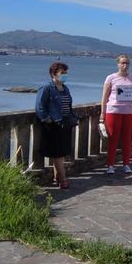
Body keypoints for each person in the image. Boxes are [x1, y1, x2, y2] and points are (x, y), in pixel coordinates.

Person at [35, 61, 77, 189]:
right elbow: (39, 106)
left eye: (66, 73)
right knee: (57, 153)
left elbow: (67, 105)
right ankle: (63, 179)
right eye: (62, 73)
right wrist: (47, 119)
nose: (64, 75)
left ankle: (57, 178)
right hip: (53, 126)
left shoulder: (65, 88)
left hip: (64, 124)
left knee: (60, 153)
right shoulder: (47, 87)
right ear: (54, 74)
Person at [100, 55, 132, 175]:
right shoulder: (111, 78)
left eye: (127, 63)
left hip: (129, 112)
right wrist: (103, 112)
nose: (125, 65)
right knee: (113, 139)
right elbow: (104, 97)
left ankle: (126, 164)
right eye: (122, 63)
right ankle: (110, 165)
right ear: (118, 64)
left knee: (127, 139)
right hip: (113, 111)